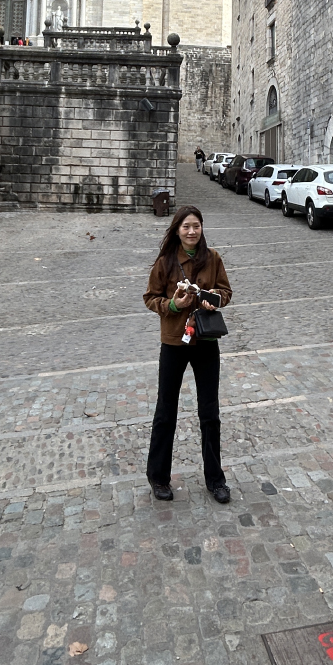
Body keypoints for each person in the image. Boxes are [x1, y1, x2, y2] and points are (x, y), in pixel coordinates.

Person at [143, 205, 233, 505]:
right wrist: (173, 305)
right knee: (165, 410)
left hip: (205, 340)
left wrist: (214, 298)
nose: (192, 231)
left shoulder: (213, 258)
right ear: (177, 230)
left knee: (210, 412)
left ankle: (215, 479)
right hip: (174, 341)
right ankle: (158, 477)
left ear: (202, 228)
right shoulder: (166, 262)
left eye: (196, 226)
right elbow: (150, 297)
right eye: (186, 227)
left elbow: (226, 291)